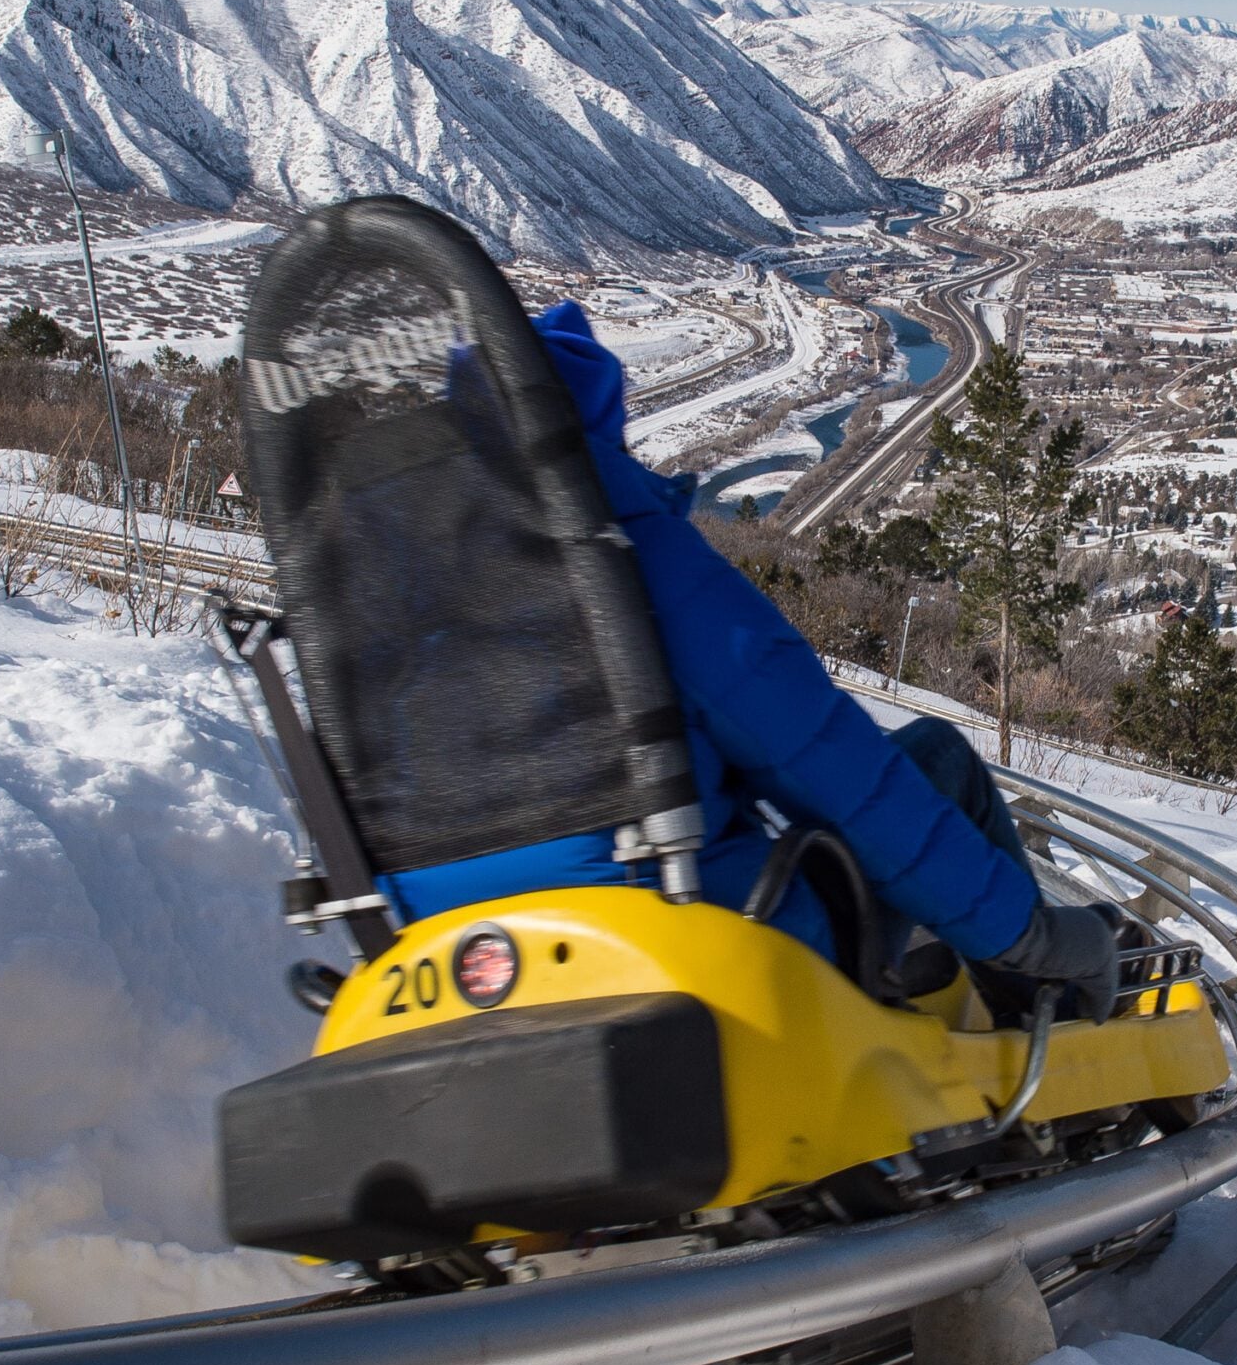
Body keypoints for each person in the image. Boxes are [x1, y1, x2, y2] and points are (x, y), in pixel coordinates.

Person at [372, 301, 1126, 1021]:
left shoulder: (395, 608)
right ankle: (1047, 1006)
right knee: (938, 757)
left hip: (459, 973)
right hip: (696, 957)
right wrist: (1035, 937)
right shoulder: (640, 568)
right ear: (589, 433)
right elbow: (844, 779)